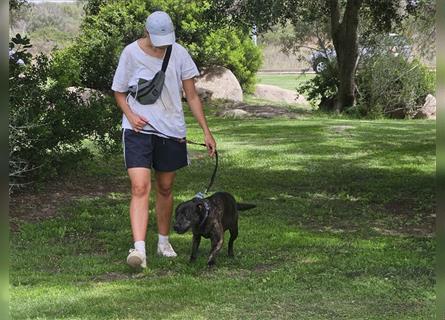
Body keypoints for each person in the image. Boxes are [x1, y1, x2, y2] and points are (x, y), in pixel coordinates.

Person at [111, 11, 216, 268]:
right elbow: (118, 92)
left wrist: (206, 130)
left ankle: (163, 241)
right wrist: (131, 116)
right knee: (139, 187)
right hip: (138, 130)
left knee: (166, 188)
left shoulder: (178, 53)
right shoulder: (130, 53)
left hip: (171, 131)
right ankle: (139, 250)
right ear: (146, 33)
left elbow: (191, 95)